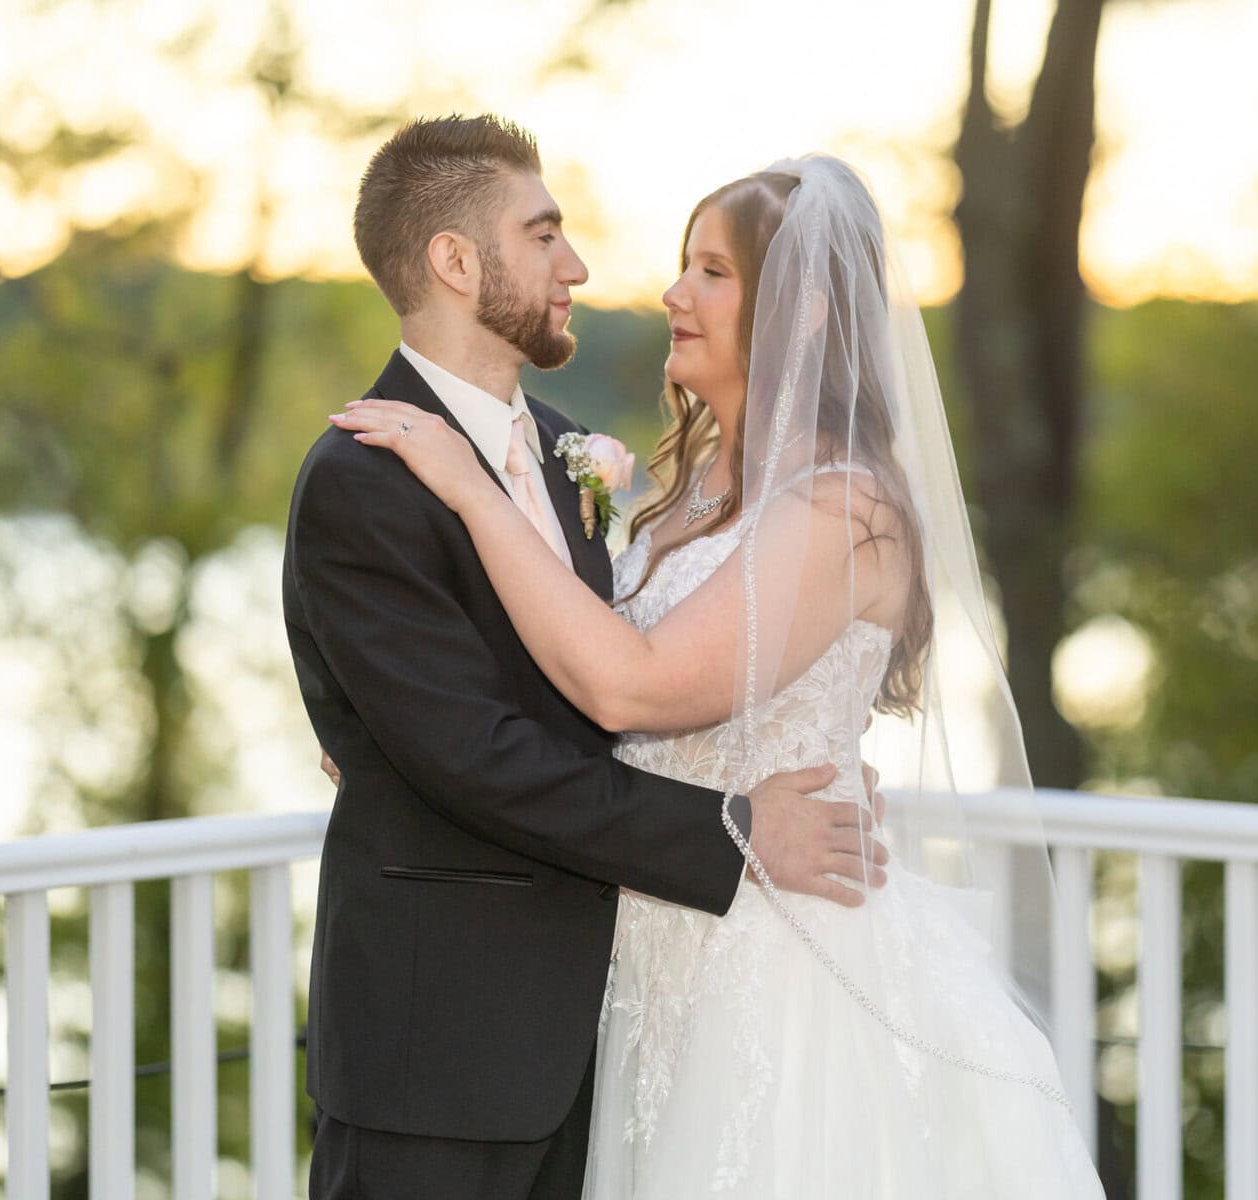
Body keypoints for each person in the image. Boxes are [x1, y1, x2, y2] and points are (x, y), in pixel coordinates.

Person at [334, 155, 1105, 1196]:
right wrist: (399, 733)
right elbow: (561, 671)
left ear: (807, 314)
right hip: (647, 962)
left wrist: (470, 494)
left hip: (780, 969)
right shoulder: (687, 489)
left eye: (711, 271)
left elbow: (633, 688)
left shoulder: (844, 507)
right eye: (682, 266)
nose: (669, 294)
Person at [285, 116, 888, 1200]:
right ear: (456, 262)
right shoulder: (363, 476)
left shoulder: (572, 461)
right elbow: (472, 754)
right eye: (544, 234)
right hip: (441, 1047)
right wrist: (736, 827)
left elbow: (606, 682)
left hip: (611, 1026)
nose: (579, 267)